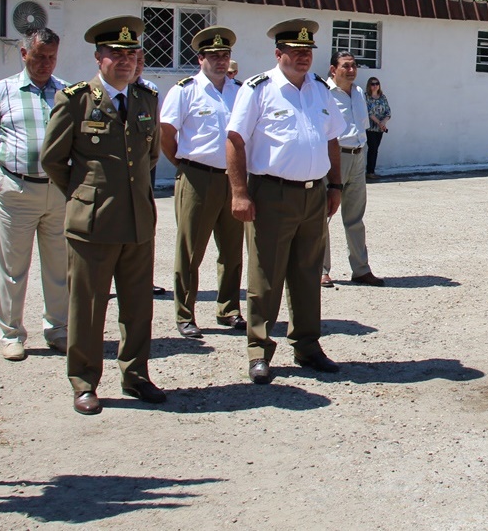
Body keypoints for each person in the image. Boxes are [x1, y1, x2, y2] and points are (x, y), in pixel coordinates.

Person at [41, 16, 165, 415]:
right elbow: (54, 160)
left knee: (137, 306)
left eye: (132, 53)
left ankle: (136, 374)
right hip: (93, 224)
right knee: (89, 308)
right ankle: (84, 382)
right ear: (99, 57)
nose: (125, 61)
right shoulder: (75, 99)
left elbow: (150, 157)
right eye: (116, 53)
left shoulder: (146, 98)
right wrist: (83, 197)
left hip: (137, 222)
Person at [225, 19, 346, 384]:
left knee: (308, 274)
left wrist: (336, 185)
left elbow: (332, 140)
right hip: (271, 193)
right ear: (278, 54)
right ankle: (259, 350)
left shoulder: (322, 90)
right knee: (266, 275)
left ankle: (308, 346)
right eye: (295, 51)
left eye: (307, 51)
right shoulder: (258, 88)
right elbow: (235, 140)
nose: (302, 57)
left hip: (314, 193)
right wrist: (239, 192)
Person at [0, 28, 69, 361]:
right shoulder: (2, 91)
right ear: (24, 53)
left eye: (52, 57)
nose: (46, 64)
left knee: (59, 266)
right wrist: (8, 168)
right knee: (13, 267)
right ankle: (11, 333)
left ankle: (58, 330)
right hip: (17, 191)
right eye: (39, 56)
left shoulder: (67, 93)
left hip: (57, 193)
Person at [159, 26, 245, 338]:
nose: (220, 61)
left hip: (233, 180)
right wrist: (184, 163)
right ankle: (185, 313)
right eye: (214, 56)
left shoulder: (240, 92)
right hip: (197, 177)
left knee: (233, 250)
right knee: (190, 250)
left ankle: (229, 308)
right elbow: (166, 135)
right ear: (200, 59)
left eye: (225, 56)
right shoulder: (184, 91)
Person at [320, 52, 384, 288]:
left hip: (358, 156)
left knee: (355, 218)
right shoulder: (323, 92)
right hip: (334, 157)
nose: (351, 70)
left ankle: (360, 269)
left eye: (354, 65)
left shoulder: (358, 93)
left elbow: (361, 126)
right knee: (323, 215)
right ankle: (322, 270)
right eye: (345, 66)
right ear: (333, 69)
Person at [134, 47, 167, 296]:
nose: (137, 65)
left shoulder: (150, 91)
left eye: (141, 61)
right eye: (133, 60)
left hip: (145, 166)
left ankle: (144, 277)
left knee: (145, 222)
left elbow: (156, 134)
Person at [364, 76, 390, 180]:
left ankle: (371, 170)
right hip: (370, 127)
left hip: (380, 128)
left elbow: (388, 111)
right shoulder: (366, 97)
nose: (375, 86)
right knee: (372, 148)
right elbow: (368, 112)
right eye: (372, 84)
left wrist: (383, 122)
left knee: (375, 149)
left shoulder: (382, 97)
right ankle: (370, 171)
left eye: (377, 84)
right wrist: (379, 122)